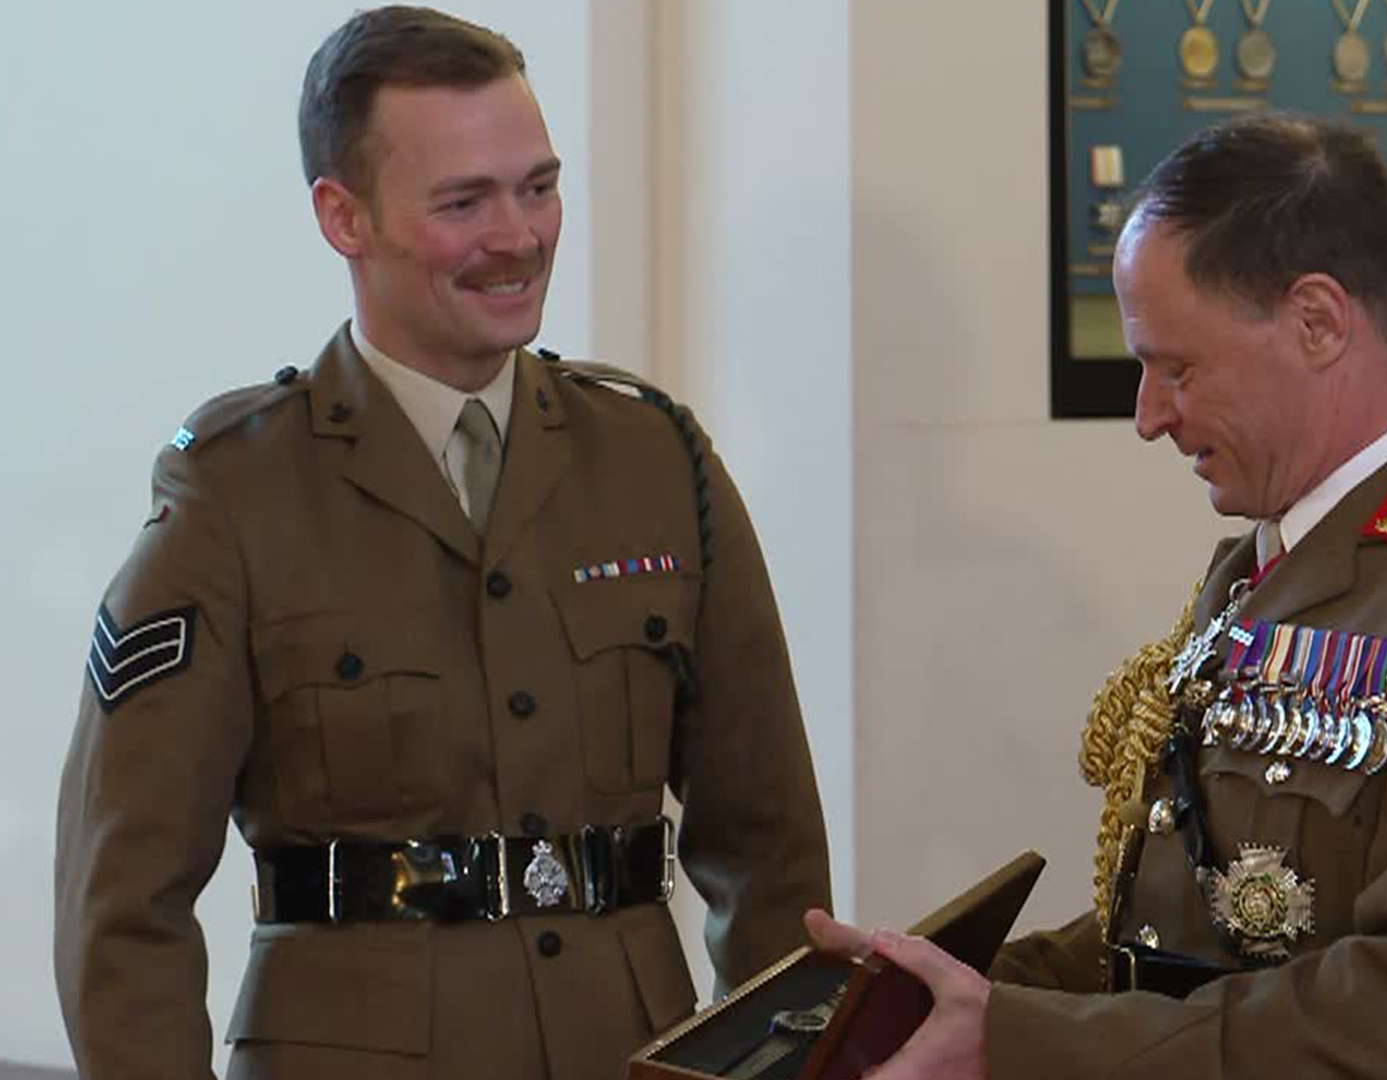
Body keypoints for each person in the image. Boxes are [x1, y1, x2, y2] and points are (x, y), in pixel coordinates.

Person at [54, 7, 831, 1079]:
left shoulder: (658, 460)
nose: (517, 236)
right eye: (464, 202)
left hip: (632, 1053)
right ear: (344, 215)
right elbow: (122, 901)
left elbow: (770, 848)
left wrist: (778, 1067)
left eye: (538, 186)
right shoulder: (236, 492)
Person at [807, 113, 1387, 1080]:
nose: (1149, 416)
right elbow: (1197, 924)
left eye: (1178, 366)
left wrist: (1016, 1041)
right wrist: (933, 991)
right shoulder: (1268, 562)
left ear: (1319, 321)